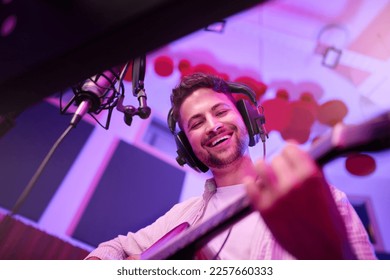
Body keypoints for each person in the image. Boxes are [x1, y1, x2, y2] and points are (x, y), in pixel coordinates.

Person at [85, 72, 376, 260]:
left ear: (247, 120)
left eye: (220, 111)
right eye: (197, 123)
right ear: (188, 148)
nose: (212, 126)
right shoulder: (183, 216)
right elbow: (119, 246)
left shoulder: (320, 199)